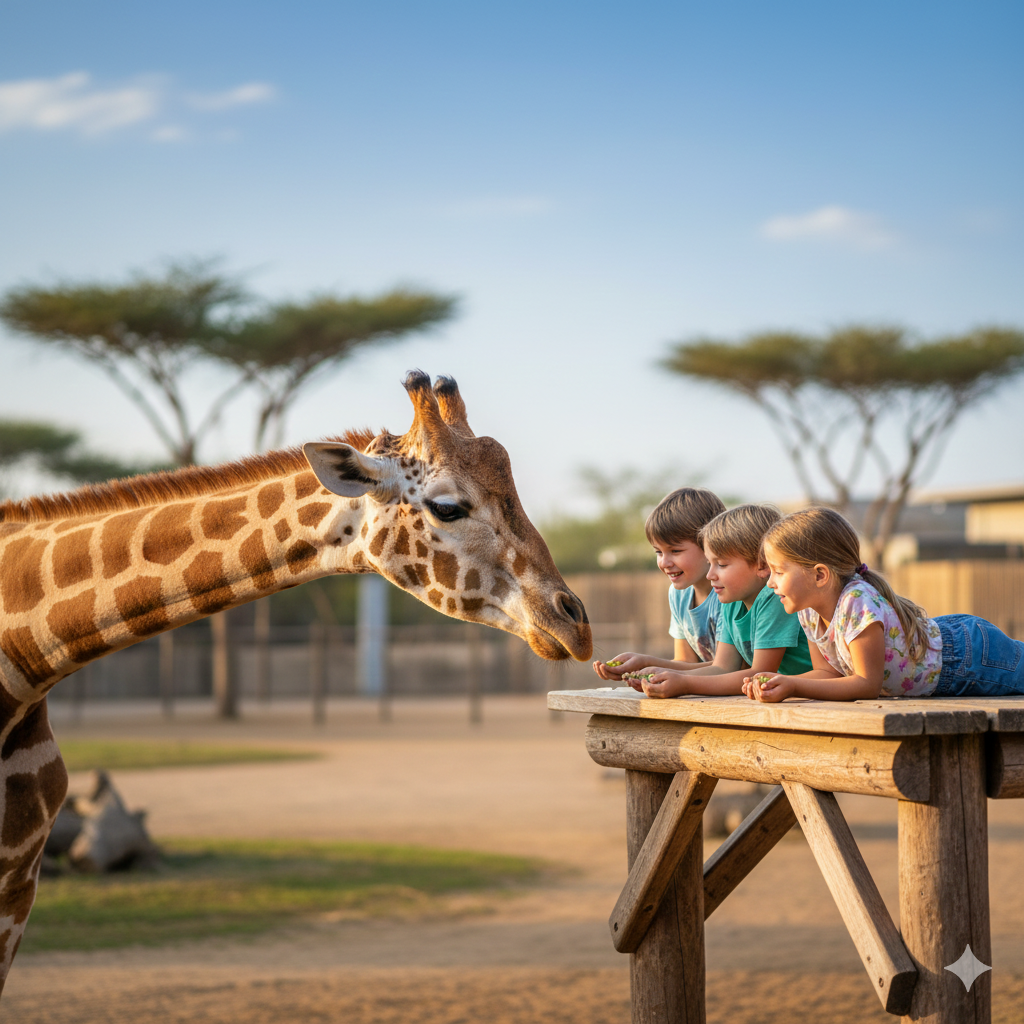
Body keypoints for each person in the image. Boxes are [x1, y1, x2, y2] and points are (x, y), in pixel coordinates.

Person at [743, 506, 1024, 703]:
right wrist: (778, 681)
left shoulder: (855, 602)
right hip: (947, 656)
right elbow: (825, 674)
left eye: (779, 571)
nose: (770, 582)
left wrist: (794, 686)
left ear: (819, 574)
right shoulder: (808, 612)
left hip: (968, 660)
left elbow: (867, 683)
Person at [625, 504, 812, 698]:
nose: (710, 574)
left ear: (762, 564)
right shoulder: (731, 601)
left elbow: (759, 674)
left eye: (721, 564)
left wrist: (685, 683)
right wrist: (666, 676)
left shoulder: (773, 599)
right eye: (710, 563)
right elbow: (723, 667)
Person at [592, 487, 726, 682]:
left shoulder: (729, 594)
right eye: (658, 552)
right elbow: (685, 660)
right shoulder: (678, 594)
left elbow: (729, 667)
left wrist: (650, 665)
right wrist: (645, 668)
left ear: (711, 545)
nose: (664, 562)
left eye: (675, 551)